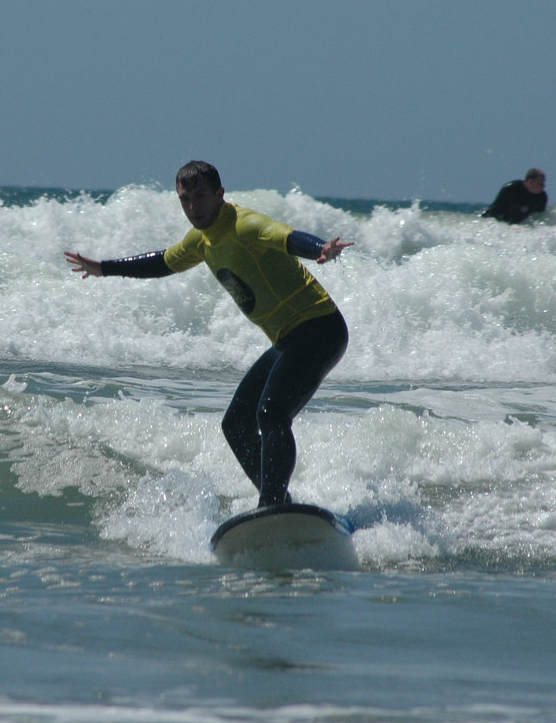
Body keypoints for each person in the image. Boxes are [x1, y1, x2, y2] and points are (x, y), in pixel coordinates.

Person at [65, 161, 351, 509]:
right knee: (236, 424)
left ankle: (272, 504)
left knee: (272, 413)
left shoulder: (245, 225)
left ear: (219, 195)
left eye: (200, 197)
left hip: (319, 328)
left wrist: (319, 248)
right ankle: (279, 503)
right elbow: (163, 263)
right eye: (185, 200)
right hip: (288, 339)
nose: (193, 208)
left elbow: (285, 237)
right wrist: (105, 268)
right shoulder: (200, 241)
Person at [482, 168, 548, 223]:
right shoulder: (511, 188)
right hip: (501, 224)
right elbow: (495, 210)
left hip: (521, 227)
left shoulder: (542, 197)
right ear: (530, 182)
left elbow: (539, 217)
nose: (544, 186)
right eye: (540, 183)